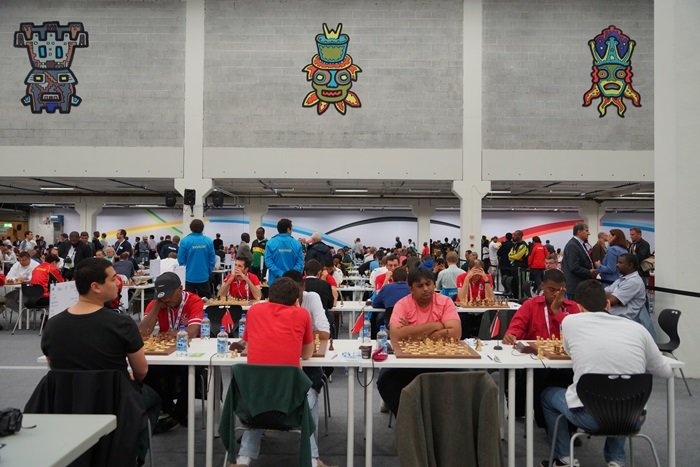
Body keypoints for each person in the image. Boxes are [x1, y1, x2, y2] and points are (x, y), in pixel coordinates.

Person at [40, 258, 160, 465]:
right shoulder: (121, 323)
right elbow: (141, 370)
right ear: (95, 287)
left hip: (65, 403)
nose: (118, 283)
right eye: (113, 279)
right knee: (153, 399)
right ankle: (134, 456)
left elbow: (53, 366)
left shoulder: (53, 325)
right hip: (115, 402)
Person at [540, 279, 671, 467]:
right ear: (608, 304)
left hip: (590, 417)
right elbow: (665, 372)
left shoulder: (570, 321)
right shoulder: (638, 329)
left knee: (547, 395)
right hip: (633, 418)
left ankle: (564, 458)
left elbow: (570, 351)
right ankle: (616, 460)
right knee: (622, 395)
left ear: (579, 306)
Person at [233, 277, 336, 467]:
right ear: (296, 300)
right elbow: (307, 354)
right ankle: (312, 459)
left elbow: (246, 342)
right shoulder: (301, 314)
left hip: (252, 400)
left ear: (269, 296)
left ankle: (243, 458)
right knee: (312, 390)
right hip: (290, 402)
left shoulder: (254, 311)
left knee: (260, 397)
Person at [376, 267, 461, 415]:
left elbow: (455, 333)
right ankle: (407, 419)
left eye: (428, 284)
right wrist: (436, 326)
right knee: (385, 381)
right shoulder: (402, 304)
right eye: (420, 286)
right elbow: (396, 336)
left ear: (434, 284)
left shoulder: (445, 302)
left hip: (442, 360)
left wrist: (410, 331)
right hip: (407, 362)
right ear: (411, 289)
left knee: (466, 377)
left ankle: (442, 419)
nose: (426, 289)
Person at [502, 268, 579, 428]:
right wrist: (512, 335)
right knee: (536, 378)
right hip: (538, 363)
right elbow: (517, 326)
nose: (556, 294)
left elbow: (578, 334)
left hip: (567, 364)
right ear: (542, 286)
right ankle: (545, 420)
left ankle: (569, 424)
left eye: (560, 290)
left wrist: (557, 312)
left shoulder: (572, 308)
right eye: (552, 289)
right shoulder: (530, 305)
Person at [139, 272, 204, 433]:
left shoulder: (194, 300)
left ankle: (177, 416)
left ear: (180, 289)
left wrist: (174, 333)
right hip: (166, 353)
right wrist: (156, 306)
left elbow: (193, 331)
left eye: (169, 295)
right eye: (162, 296)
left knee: (189, 371)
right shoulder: (158, 302)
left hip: (191, 352)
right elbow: (143, 333)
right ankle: (170, 409)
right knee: (146, 370)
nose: (166, 299)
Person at [178, 219, 216, 298]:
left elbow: (181, 260)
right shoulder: (208, 241)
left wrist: (186, 271)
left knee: (189, 302)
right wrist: (208, 272)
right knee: (206, 302)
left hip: (189, 278)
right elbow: (212, 260)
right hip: (204, 277)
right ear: (202, 228)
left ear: (190, 228)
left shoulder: (184, 241)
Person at [264, 218, 304, 285]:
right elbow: (300, 263)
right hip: (292, 282)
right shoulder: (297, 244)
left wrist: (280, 273)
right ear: (288, 229)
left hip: (275, 282)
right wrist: (290, 274)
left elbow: (268, 262)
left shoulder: (270, 243)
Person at [562, 223, 596, 299]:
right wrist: (589, 272)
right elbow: (574, 267)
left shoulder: (580, 244)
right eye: (586, 231)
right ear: (579, 232)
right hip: (575, 287)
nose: (589, 233)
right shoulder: (572, 245)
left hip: (581, 286)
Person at [508, 230, 529, 298]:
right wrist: (513, 257)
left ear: (520, 236)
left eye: (515, 235)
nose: (513, 236)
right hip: (514, 267)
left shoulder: (523, 245)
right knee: (514, 285)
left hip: (521, 269)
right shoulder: (515, 245)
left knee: (520, 285)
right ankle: (515, 298)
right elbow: (509, 256)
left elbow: (517, 256)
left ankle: (521, 300)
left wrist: (513, 257)